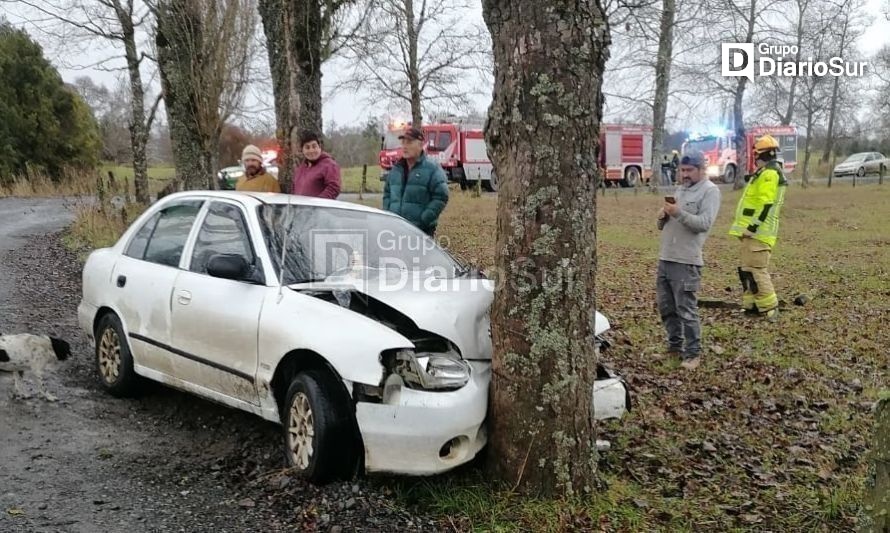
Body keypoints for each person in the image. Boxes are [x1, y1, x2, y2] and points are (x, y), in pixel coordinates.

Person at [656, 150, 722, 370]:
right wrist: (662, 217)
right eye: (682, 170)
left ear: (701, 169)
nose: (684, 174)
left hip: (687, 261)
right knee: (667, 308)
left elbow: (703, 223)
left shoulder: (710, 192)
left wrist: (678, 213)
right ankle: (674, 347)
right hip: (666, 257)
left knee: (686, 309)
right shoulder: (680, 189)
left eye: (689, 170)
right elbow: (671, 221)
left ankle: (693, 354)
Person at [728, 134, 788, 321]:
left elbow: (765, 204)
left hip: (759, 233)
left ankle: (770, 308)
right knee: (746, 269)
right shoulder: (764, 173)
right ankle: (752, 305)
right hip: (752, 233)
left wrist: (752, 228)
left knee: (756, 270)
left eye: (755, 155)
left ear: (760, 155)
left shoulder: (769, 174)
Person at [382, 127, 449, 236]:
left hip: (421, 232)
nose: (404, 146)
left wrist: (424, 219)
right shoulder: (396, 169)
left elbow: (441, 196)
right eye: (403, 142)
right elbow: (387, 193)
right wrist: (388, 215)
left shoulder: (432, 168)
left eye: (409, 142)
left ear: (420, 144)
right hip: (395, 230)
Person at [292, 130, 342, 199]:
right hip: (300, 209)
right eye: (307, 147)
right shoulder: (301, 169)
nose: (311, 150)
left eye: (314, 146)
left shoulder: (329, 165)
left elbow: (334, 188)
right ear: (302, 150)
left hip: (319, 208)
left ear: (319, 147)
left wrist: (316, 203)